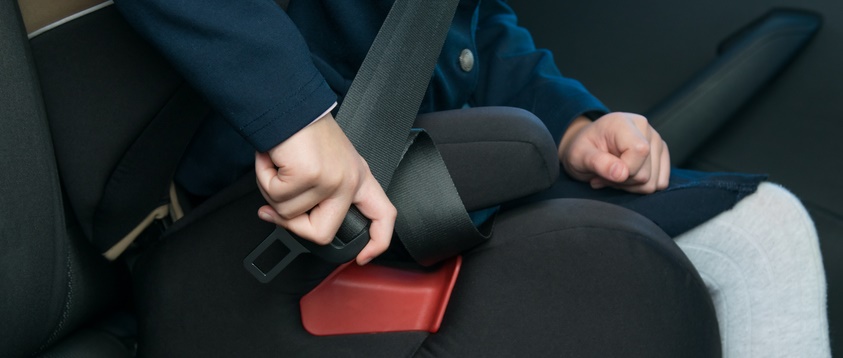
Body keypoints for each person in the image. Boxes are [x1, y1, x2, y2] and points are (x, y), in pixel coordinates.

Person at [113, 0, 829, 356]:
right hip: (290, 203)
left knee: (761, 226)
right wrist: (296, 116)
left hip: (430, 164)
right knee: (759, 236)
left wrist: (573, 125)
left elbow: (468, 28)